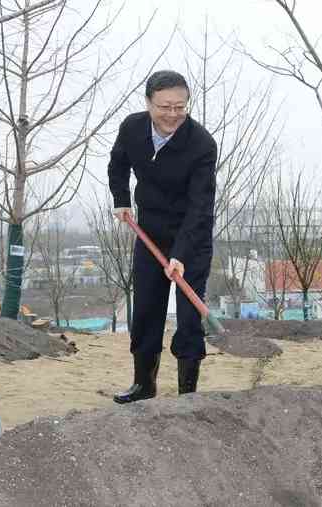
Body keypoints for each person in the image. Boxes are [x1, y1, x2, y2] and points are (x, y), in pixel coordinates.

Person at [108, 70, 217, 404]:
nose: (173, 115)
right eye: (164, 106)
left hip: (190, 240)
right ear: (148, 103)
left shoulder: (201, 144)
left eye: (180, 107)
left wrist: (181, 255)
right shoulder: (132, 127)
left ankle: (187, 394)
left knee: (188, 317)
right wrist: (122, 200)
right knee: (145, 310)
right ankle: (144, 384)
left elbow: (201, 207)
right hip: (150, 234)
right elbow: (117, 164)